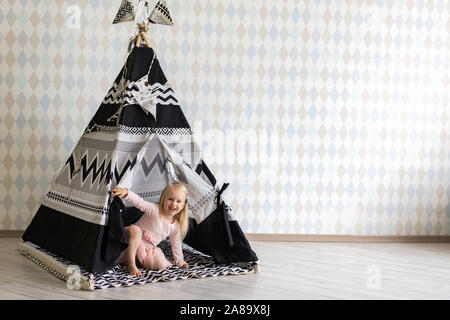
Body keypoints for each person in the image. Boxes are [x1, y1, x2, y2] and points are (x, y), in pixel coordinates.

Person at [111, 182, 189, 276]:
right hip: (129, 240)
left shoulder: (175, 226)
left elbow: (176, 244)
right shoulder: (155, 210)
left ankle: (135, 260)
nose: (173, 204)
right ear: (163, 199)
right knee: (135, 230)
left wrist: (180, 261)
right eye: (170, 199)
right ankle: (131, 265)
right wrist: (127, 193)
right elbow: (140, 202)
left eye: (178, 201)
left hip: (145, 250)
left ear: (183, 205)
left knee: (162, 264)